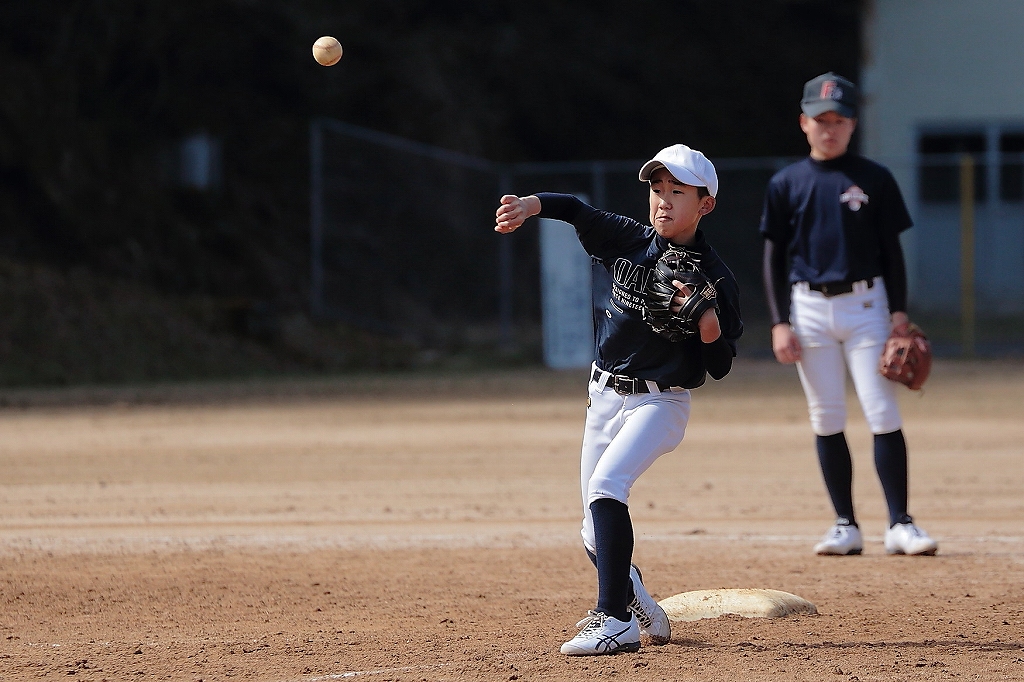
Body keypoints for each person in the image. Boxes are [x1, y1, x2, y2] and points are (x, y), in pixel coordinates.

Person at [494, 144, 743, 655]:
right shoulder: (629, 240)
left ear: (706, 204)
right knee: (592, 526)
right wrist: (529, 205)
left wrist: (709, 326)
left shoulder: (716, 278)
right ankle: (632, 598)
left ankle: (612, 619)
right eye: (657, 190)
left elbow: (719, 367)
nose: (664, 202)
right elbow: (576, 210)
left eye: (678, 192)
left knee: (609, 486)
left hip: (661, 403)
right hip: (603, 395)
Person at [759, 72, 938, 557]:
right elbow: (773, 258)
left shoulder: (875, 179)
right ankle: (846, 525)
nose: (829, 128)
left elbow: (891, 253)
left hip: (867, 306)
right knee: (826, 416)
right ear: (804, 123)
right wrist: (779, 323)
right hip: (809, 308)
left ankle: (900, 523)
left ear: (853, 123)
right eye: (821, 120)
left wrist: (899, 315)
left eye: (838, 120)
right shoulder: (787, 183)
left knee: (881, 411)